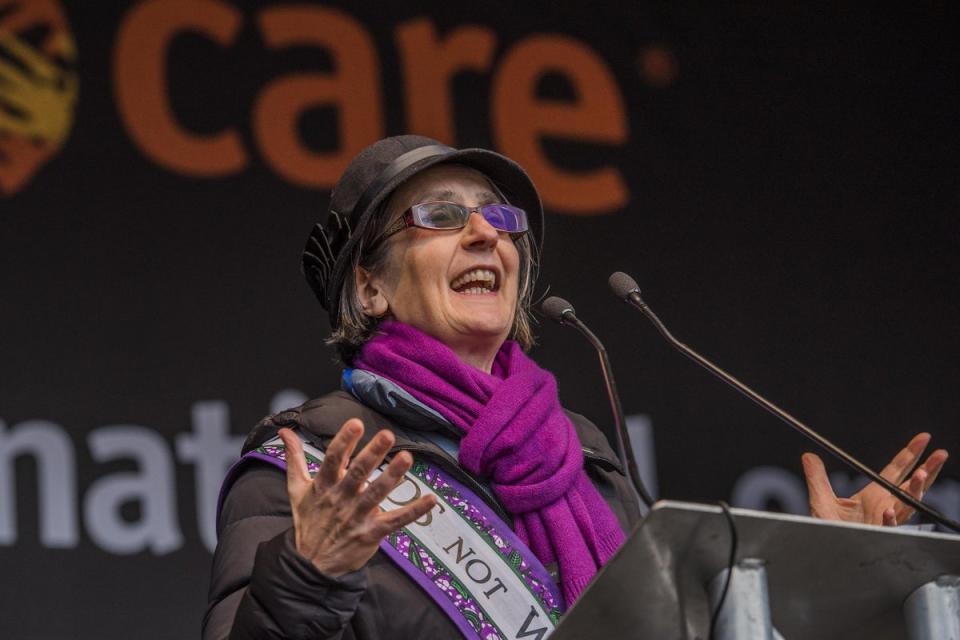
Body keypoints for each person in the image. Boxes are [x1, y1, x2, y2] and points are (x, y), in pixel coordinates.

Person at [203, 135, 948, 640]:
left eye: (499, 217)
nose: (486, 234)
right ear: (367, 287)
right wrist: (310, 572)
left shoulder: (579, 455)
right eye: (441, 216)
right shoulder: (314, 461)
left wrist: (835, 571)